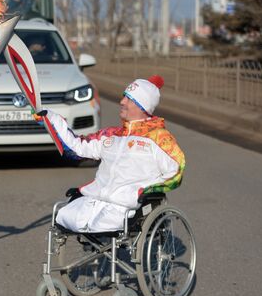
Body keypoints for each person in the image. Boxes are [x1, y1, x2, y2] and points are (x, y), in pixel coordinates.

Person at [33, 75, 185, 233]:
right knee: (63, 215)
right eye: (123, 97)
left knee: (98, 225)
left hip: (125, 208)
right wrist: (50, 119)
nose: (122, 102)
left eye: (129, 99)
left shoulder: (159, 139)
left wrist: (144, 190)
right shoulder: (111, 135)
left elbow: (176, 171)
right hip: (95, 200)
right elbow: (77, 147)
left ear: (142, 106)